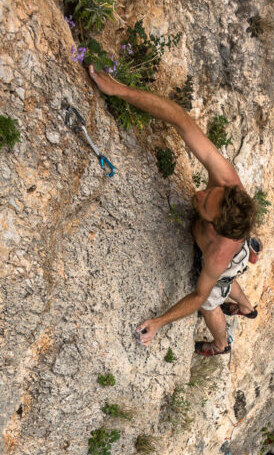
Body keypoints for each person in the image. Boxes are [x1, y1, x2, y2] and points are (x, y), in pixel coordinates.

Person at [88, 65, 258, 356]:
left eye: (204, 204)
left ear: (215, 228)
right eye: (210, 191)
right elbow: (181, 120)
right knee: (230, 275)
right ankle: (245, 307)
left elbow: (199, 295)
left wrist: (159, 322)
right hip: (238, 253)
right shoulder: (228, 181)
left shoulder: (217, 255)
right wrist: (120, 90)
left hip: (230, 262)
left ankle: (221, 344)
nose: (200, 193)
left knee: (211, 301)